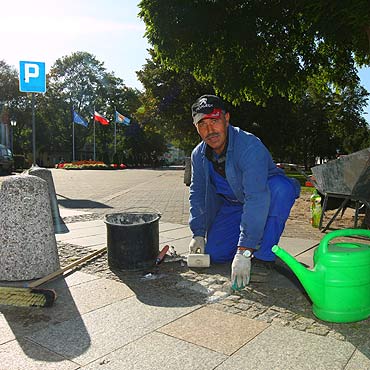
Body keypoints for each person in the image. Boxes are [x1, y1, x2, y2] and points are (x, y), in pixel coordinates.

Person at [188, 95, 300, 290]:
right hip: (233, 205)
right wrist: (198, 232)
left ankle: (264, 256)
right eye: (202, 124)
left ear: (227, 118)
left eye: (214, 120)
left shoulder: (249, 146)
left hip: (264, 197)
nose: (210, 130)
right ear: (196, 128)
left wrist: (244, 250)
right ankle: (253, 239)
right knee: (215, 253)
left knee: (282, 189)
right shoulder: (198, 155)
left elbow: (256, 197)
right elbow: (197, 193)